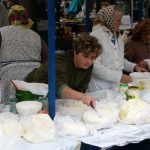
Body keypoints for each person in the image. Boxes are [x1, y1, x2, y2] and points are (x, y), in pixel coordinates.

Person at [25, 32, 102, 108]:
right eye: (85, 56)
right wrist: (83, 97)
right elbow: (60, 88)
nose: (89, 61)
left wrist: (80, 96)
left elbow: (81, 89)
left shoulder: (88, 66)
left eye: (92, 58)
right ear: (75, 52)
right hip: (30, 93)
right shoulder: (59, 61)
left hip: (53, 99)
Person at [87, 5, 147, 92]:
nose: (120, 23)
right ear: (109, 20)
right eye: (118, 20)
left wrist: (134, 67)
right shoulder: (96, 36)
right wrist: (119, 77)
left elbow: (119, 60)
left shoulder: (117, 36)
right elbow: (95, 67)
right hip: (99, 88)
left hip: (115, 87)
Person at [0, 5, 48, 104]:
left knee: (12, 110)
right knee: (36, 108)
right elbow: (47, 57)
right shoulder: (35, 35)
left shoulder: (2, 32)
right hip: (35, 75)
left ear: (10, 18)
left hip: (11, 77)